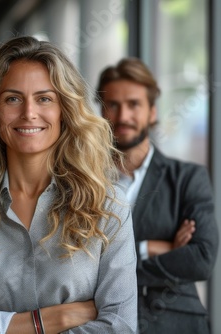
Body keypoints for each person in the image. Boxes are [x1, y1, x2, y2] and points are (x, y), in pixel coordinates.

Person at [0, 36, 137, 333]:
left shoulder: (107, 205)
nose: (28, 113)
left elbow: (119, 327)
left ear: (64, 111)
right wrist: (50, 321)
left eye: (44, 98)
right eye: (12, 98)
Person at [96, 58, 219, 333]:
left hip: (176, 324)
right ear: (101, 111)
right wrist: (154, 248)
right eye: (113, 105)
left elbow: (201, 258)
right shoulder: (85, 182)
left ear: (152, 111)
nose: (123, 115)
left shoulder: (188, 178)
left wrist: (124, 259)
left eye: (134, 104)